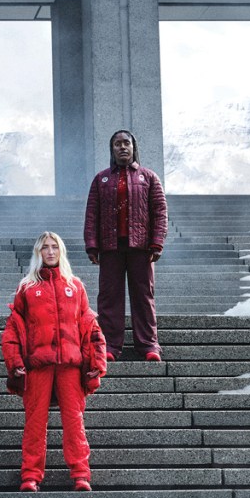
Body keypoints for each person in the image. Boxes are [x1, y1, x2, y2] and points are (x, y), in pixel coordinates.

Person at [1, 232, 107, 492]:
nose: (50, 252)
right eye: (45, 248)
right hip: (38, 366)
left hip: (70, 366)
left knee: (74, 422)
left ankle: (81, 474)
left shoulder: (76, 286)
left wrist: (97, 361)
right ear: (38, 253)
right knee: (35, 423)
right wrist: (15, 362)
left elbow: (91, 327)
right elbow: (13, 330)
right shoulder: (27, 288)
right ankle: (30, 476)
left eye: (54, 247)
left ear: (61, 251)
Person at [84, 129, 168, 362]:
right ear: (112, 150)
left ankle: (149, 345)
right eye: (117, 144)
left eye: (126, 143)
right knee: (109, 297)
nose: (122, 147)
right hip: (110, 247)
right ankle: (109, 346)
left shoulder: (149, 177)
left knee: (143, 296)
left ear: (133, 147)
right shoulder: (101, 179)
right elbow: (92, 214)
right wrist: (92, 245)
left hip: (141, 248)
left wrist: (157, 242)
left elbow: (160, 212)